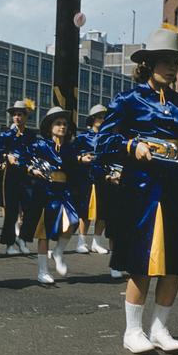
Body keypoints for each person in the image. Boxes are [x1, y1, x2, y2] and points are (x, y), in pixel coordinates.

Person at [95, 25, 178, 354]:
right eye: (165, 60)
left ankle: (160, 327)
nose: (172, 67)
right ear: (149, 63)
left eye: (176, 61)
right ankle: (132, 330)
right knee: (142, 261)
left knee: (176, 261)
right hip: (141, 190)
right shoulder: (128, 100)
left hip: (176, 189)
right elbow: (104, 142)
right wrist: (132, 144)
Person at [19, 106, 81, 284]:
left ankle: (59, 251)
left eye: (64, 124)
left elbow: (73, 168)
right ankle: (43, 270)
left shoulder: (70, 148)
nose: (62, 127)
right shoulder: (40, 145)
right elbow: (23, 159)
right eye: (58, 123)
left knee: (73, 220)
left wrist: (81, 161)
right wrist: (31, 169)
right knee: (43, 233)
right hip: (44, 191)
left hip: (64, 191)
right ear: (50, 127)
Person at [0, 99, 38, 255]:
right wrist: (6, 156)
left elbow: (35, 153)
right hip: (10, 175)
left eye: (20, 114)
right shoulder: (6, 135)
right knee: (11, 211)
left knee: (30, 209)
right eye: (14, 115)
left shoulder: (31, 135)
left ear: (26, 117)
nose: (17, 117)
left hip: (27, 175)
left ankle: (23, 239)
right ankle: (9, 244)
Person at [72, 104, 110, 255]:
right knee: (85, 210)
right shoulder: (82, 137)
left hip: (104, 177)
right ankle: (81, 241)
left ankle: (96, 242)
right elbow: (71, 155)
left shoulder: (109, 138)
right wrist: (81, 158)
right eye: (99, 117)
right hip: (86, 177)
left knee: (103, 212)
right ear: (93, 119)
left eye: (104, 117)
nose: (102, 120)